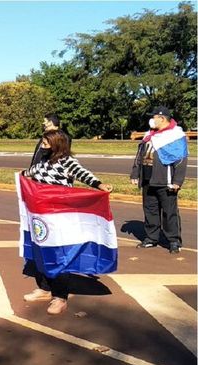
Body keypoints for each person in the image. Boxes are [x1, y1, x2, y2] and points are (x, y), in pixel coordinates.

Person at [22, 129, 113, 314]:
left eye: (46, 143)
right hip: (41, 217)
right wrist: (22, 177)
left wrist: (100, 185)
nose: (42, 146)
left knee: (59, 255)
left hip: (60, 216)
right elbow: (29, 173)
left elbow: (83, 174)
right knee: (40, 252)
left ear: (57, 144)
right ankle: (44, 288)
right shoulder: (43, 162)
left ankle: (60, 297)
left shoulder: (67, 162)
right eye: (42, 142)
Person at [130, 106, 188, 254]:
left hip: (166, 181)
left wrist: (177, 181)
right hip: (148, 179)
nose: (152, 120)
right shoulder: (149, 135)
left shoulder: (175, 136)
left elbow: (180, 161)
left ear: (161, 119)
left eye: (154, 117)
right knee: (150, 210)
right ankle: (151, 238)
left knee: (170, 212)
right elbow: (140, 155)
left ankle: (174, 240)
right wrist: (135, 174)